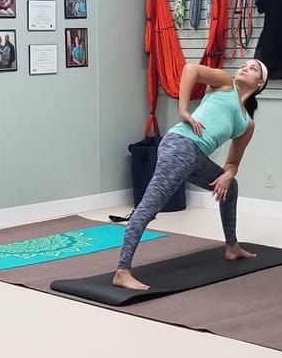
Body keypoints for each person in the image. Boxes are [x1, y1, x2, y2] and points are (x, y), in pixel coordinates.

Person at [113, 60, 268, 290]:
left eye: (253, 68)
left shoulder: (247, 123)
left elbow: (233, 162)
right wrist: (183, 110)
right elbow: (190, 69)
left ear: (260, 83)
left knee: (231, 187)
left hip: (196, 157)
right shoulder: (225, 84)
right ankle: (122, 271)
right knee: (149, 207)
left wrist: (228, 175)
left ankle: (232, 247)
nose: (245, 67)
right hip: (180, 146)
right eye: (244, 65)